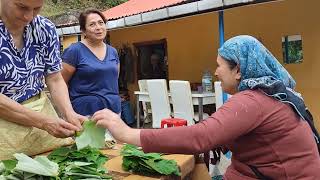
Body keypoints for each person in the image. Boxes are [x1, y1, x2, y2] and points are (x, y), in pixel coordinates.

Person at [92, 35, 320, 179]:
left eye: (220, 66)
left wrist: (128, 133)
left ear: (238, 70)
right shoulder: (270, 93)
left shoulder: (253, 100)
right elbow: (211, 134)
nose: (217, 71)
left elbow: (200, 136)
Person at [0, 0, 84, 138]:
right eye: (21, 7)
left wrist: (69, 114)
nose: (28, 16)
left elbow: (54, 78)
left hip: (39, 116)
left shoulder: (44, 28)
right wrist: (43, 122)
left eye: (37, 8)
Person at [61, 9, 121, 116]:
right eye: (92, 24)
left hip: (113, 111)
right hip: (85, 113)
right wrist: (67, 112)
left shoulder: (113, 52)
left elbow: (113, 79)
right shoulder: (75, 51)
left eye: (101, 23)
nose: (98, 27)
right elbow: (60, 82)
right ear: (83, 31)